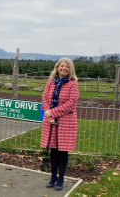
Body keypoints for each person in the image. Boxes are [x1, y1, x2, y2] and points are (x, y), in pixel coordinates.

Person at [40, 58, 79, 191]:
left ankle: (61, 177)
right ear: (57, 68)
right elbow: (44, 98)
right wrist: (48, 113)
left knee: (62, 151)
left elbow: (71, 103)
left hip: (65, 122)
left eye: (67, 67)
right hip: (50, 122)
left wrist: (52, 113)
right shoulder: (50, 83)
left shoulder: (72, 84)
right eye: (62, 66)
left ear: (70, 69)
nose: (64, 68)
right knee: (53, 150)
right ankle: (53, 176)